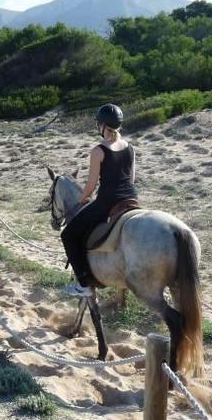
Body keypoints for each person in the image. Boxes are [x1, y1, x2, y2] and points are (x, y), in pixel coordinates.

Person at [61, 103, 137, 297]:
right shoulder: (130, 148)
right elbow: (132, 179)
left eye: (98, 124)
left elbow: (91, 185)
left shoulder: (98, 151)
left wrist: (83, 198)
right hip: (131, 199)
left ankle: (84, 285)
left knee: (68, 235)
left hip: (107, 202)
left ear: (102, 126)